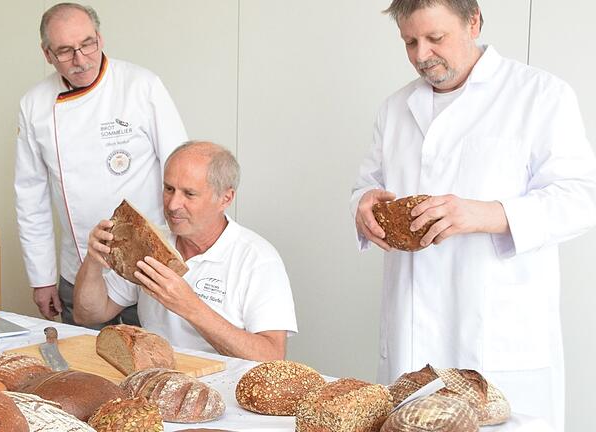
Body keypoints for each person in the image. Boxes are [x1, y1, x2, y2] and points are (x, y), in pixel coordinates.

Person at [350, 1, 596, 429]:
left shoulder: (539, 95)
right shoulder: (395, 108)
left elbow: (582, 197)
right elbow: (367, 185)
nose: (421, 54)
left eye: (435, 38)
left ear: (474, 22)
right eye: (410, 41)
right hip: (411, 339)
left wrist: (488, 214)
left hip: (499, 345)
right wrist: (363, 207)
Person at [14, 3, 187, 326]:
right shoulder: (34, 104)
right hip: (79, 267)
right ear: (47, 54)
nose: (80, 60)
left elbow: (180, 169)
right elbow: (30, 198)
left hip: (147, 265)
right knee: (83, 368)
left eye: (87, 44)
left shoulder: (141, 85)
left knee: (151, 368)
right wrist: (42, 278)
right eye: (65, 51)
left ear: (100, 38)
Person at [73, 141, 298, 361]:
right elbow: (88, 314)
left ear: (225, 198)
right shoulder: (149, 243)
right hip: (155, 379)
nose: (172, 205)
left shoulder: (257, 259)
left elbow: (272, 357)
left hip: (224, 389)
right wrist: (93, 262)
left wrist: (190, 307)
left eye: (189, 194)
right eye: (169, 189)